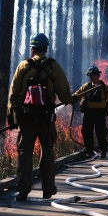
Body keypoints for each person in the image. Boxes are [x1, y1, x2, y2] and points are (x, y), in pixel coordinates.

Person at [7, 33, 73, 201]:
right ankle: (48, 190)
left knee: (25, 154)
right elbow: (64, 95)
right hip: (46, 119)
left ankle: (23, 191)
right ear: (46, 48)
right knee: (47, 153)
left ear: (33, 49)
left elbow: (13, 95)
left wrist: (12, 117)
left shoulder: (23, 66)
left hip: (26, 119)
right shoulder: (54, 67)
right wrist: (72, 100)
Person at [72, 65, 108, 159]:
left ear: (98, 75)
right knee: (87, 132)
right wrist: (72, 98)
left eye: (94, 74)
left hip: (100, 113)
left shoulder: (104, 88)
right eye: (91, 75)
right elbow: (78, 93)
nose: (92, 76)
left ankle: (103, 150)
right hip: (89, 113)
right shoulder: (86, 87)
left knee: (101, 133)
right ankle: (89, 151)